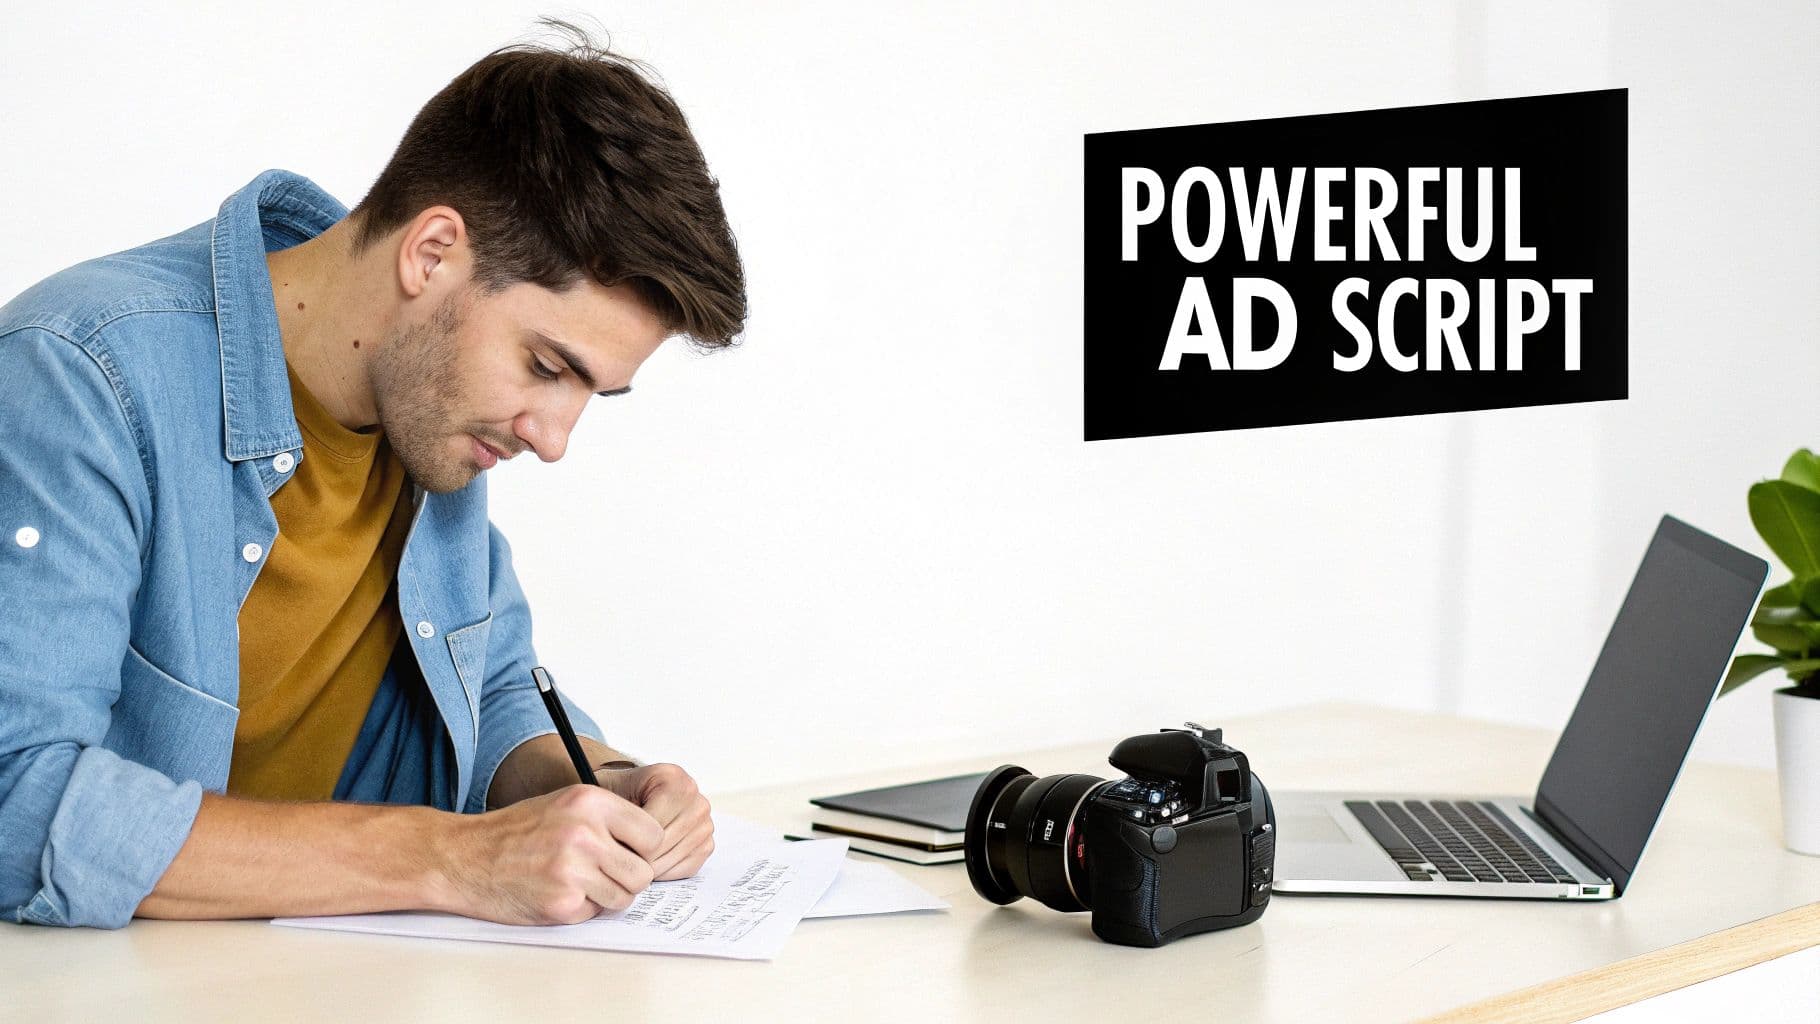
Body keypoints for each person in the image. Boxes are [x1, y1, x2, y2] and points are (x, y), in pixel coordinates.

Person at [0, 23, 746, 929]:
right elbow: (15, 796)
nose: (553, 439)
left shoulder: (429, 414)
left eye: (596, 391)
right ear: (431, 254)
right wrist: (449, 860)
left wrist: (608, 788)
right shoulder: (77, 377)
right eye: (549, 367)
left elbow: (495, 688)